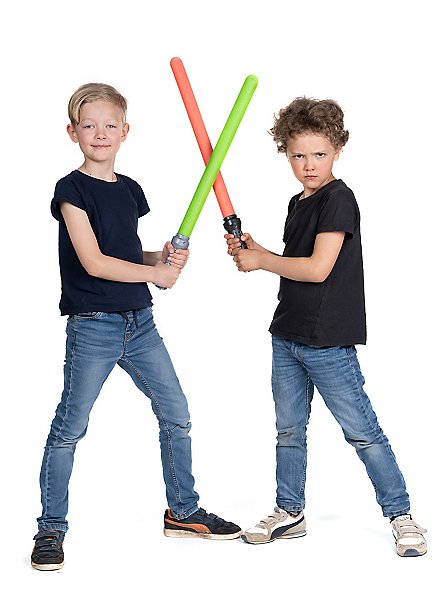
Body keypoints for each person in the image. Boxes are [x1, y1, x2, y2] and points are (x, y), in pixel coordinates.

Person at [31, 83, 241, 571]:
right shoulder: (70, 190)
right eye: (89, 125)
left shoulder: (129, 190)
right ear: (72, 133)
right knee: (69, 428)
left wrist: (157, 258)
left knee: (176, 413)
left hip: (140, 324)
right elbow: (94, 261)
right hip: (94, 326)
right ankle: (50, 528)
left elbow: (124, 254)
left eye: (110, 125)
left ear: (125, 132)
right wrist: (156, 274)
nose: (100, 133)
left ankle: (182, 512)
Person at [225, 97, 426, 557]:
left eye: (319, 154)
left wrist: (261, 262)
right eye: (298, 155)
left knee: (362, 431)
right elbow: (295, 260)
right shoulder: (298, 202)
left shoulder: (339, 199)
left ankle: (401, 514)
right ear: (286, 153)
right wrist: (257, 249)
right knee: (289, 431)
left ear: (337, 149)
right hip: (287, 335)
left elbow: (317, 269)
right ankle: (289, 511)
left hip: (327, 341)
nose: (309, 165)